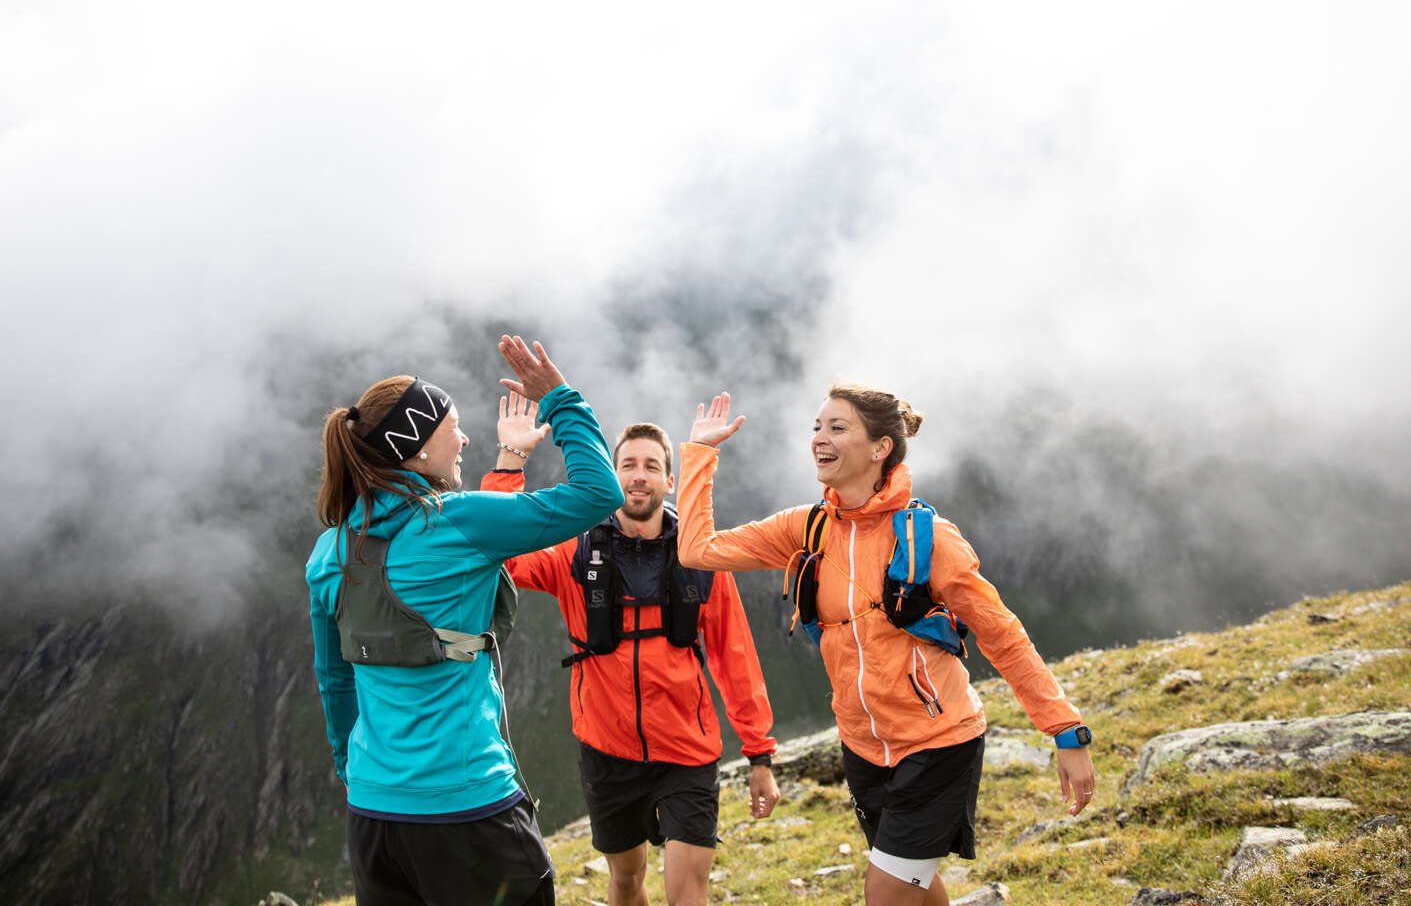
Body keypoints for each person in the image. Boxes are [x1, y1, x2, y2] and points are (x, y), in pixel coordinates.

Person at [676, 388, 1097, 906]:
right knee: (912, 883)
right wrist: (700, 453)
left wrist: (1065, 729)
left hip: (939, 743)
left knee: (885, 892)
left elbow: (1001, 634)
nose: (819, 440)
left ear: (880, 449)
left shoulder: (929, 540)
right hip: (863, 748)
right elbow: (697, 550)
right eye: (816, 427)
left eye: (837, 428)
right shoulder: (804, 529)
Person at [305, 336, 625, 906]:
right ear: (416, 448)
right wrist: (559, 399)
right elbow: (599, 494)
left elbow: (335, 680)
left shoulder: (328, 552)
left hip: (374, 817)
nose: (465, 437)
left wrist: (352, 768)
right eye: (452, 425)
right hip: (468, 807)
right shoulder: (456, 523)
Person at [480, 396, 780, 906]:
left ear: (668, 480)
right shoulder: (574, 550)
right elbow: (500, 551)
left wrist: (759, 754)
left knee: (688, 893)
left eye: (651, 466)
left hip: (688, 751)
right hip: (606, 749)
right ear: (611, 476)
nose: (638, 476)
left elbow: (735, 658)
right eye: (627, 466)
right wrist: (511, 461)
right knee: (626, 882)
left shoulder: (701, 558)